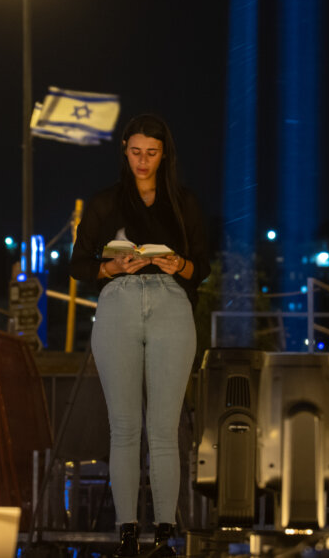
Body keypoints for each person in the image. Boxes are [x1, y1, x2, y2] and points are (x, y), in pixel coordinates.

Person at [70, 114, 211, 557]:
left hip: (171, 301)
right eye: (135, 152)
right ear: (124, 151)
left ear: (164, 154)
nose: (142, 161)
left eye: (151, 153)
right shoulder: (105, 202)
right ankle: (128, 531)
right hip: (119, 302)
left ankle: (166, 532)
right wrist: (111, 266)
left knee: (165, 428)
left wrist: (178, 265)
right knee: (125, 426)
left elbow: (201, 266)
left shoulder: (183, 202)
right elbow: (77, 265)